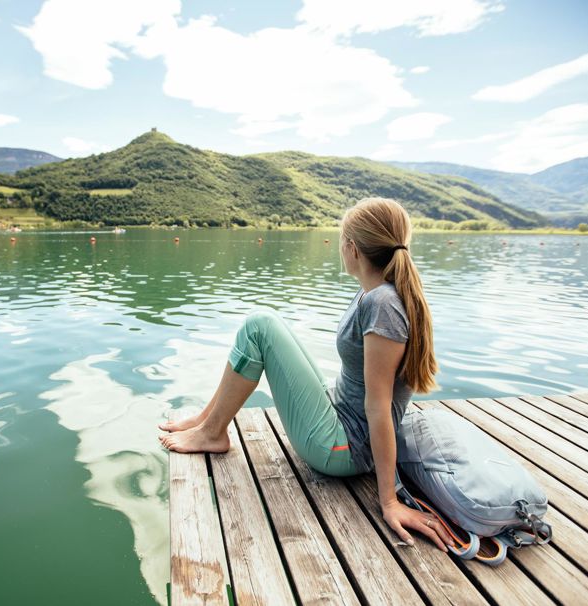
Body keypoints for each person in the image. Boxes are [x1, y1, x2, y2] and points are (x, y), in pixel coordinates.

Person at [158, 197, 452, 551]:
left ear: (352, 247)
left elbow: (378, 407)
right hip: (340, 415)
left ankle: (212, 432)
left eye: (342, 240)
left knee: (260, 326)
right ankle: (208, 421)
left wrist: (389, 500)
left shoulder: (383, 304)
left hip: (343, 447)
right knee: (271, 325)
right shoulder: (372, 292)